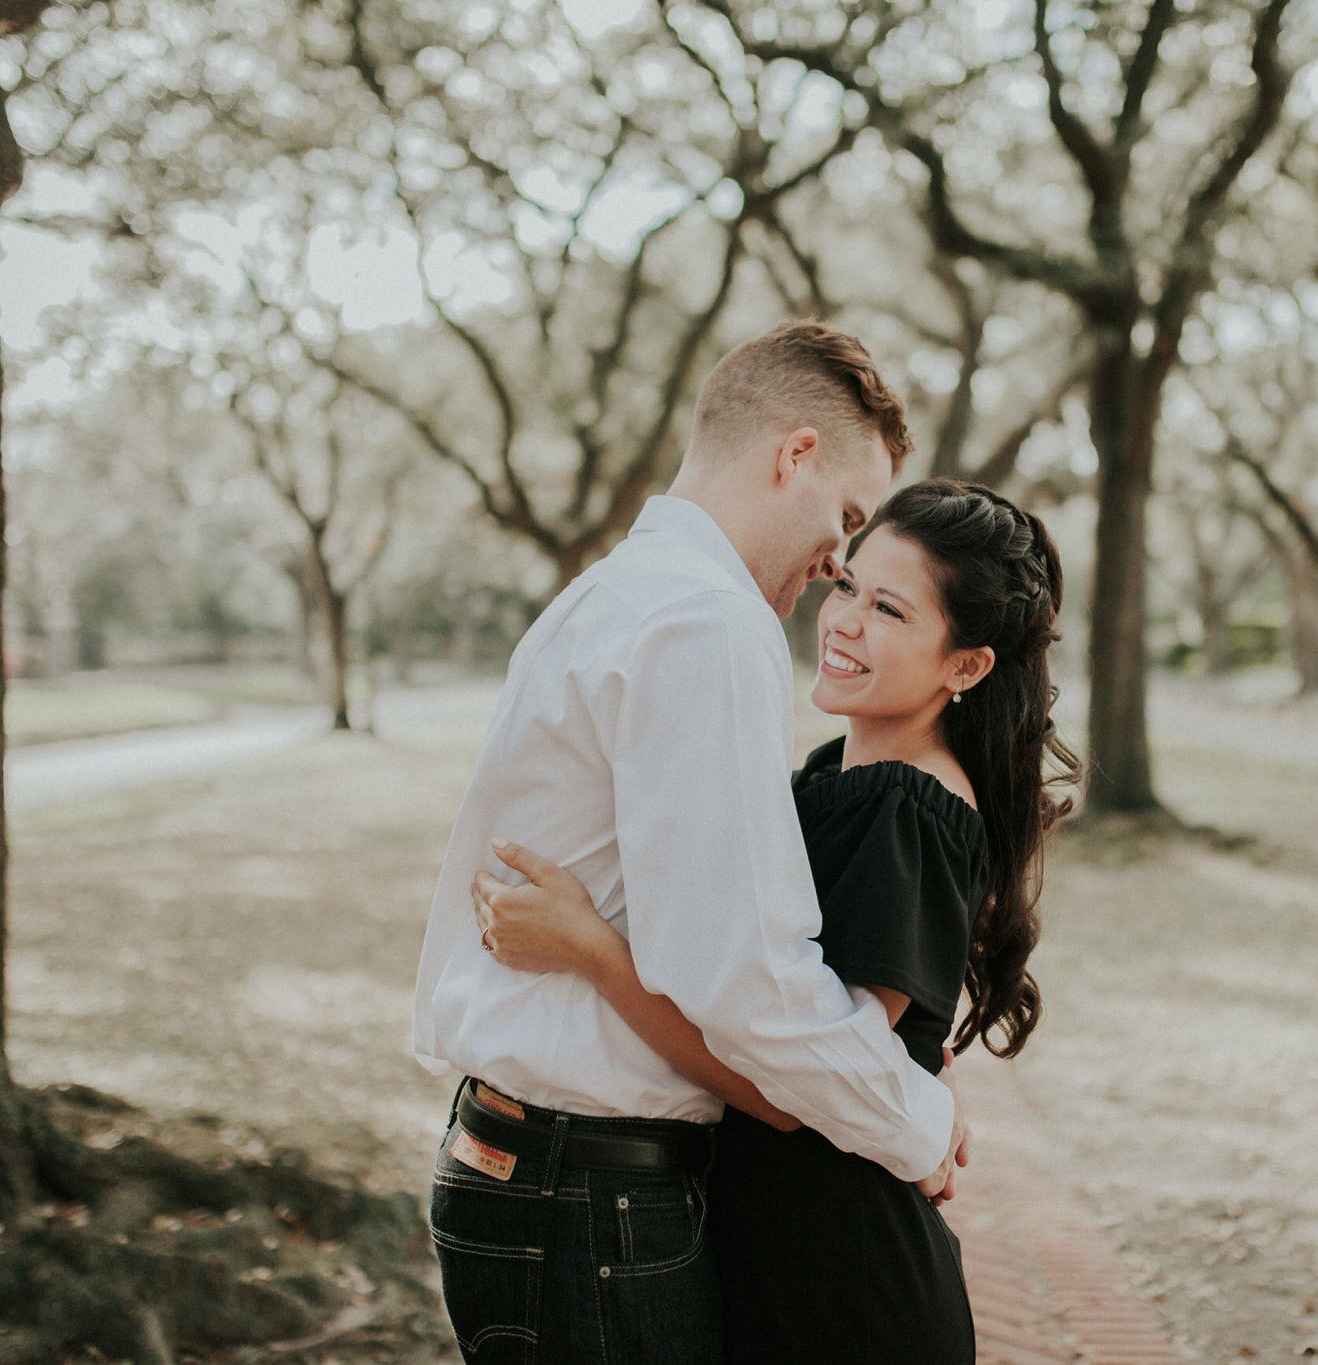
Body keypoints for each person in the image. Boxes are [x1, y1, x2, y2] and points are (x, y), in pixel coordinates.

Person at [410, 322, 970, 1365]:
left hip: (526, 1168)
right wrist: (917, 1125)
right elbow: (747, 980)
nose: (835, 560)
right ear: (791, 453)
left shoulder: (607, 595)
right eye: (845, 518)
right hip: (586, 1197)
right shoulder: (705, 623)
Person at [475, 478, 1079, 1362]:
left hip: (842, 1283)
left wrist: (590, 950)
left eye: (890, 610)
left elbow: (791, 1085)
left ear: (966, 664)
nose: (844, 620)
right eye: (848, 587)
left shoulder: (905, 809)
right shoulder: (838, 775)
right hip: (782, 1252)